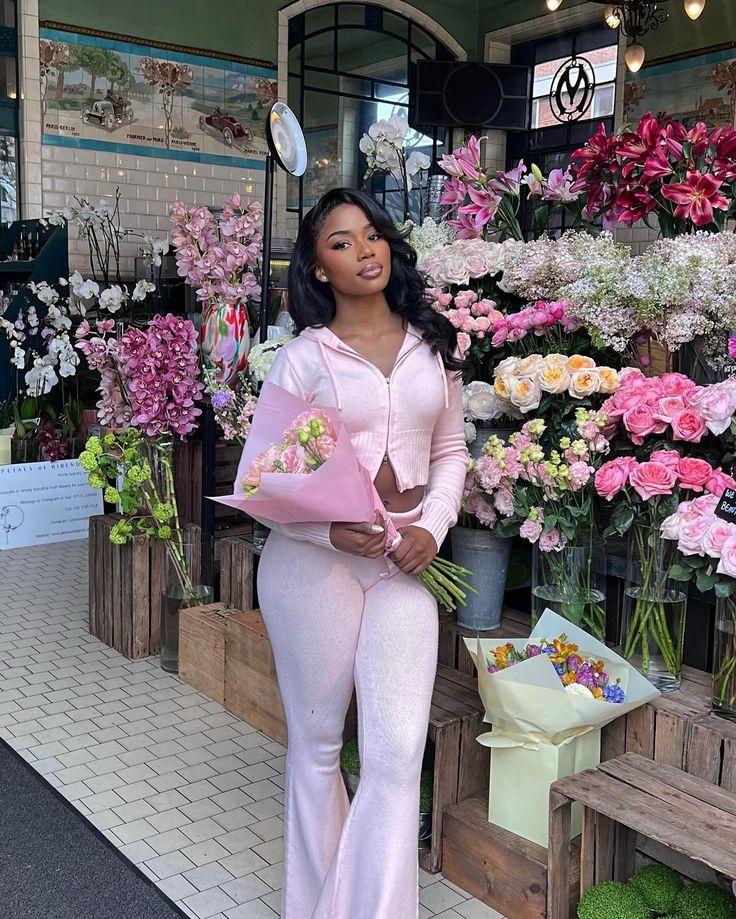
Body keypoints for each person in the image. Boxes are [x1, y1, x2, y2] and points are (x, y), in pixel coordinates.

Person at [254, 188, 471, 919]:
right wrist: (327, 532)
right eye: (342, 241)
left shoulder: (431, 344)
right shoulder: (303, 360)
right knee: (317, 749)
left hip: (404, 563)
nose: (365, 249)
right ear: (316, 269)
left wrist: (432, 528)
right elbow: (270, 481)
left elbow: (450, 450)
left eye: (373, 233)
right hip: (311, 568)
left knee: (397, 753)